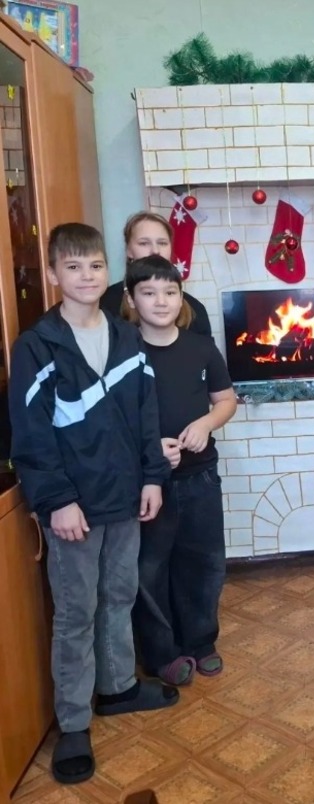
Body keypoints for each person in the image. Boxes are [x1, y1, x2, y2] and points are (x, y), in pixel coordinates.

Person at [8, 224, 177, 785]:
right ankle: (74, 722)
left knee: (119, 594)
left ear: (110, 271)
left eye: (96, 266)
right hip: (73, 508)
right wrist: (57, 500)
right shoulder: (37, 345)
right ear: (53, 273)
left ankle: (118, 687)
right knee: (76, 612)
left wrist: (152, 478)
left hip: (126, 496)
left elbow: (147, 414)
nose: (86, 276)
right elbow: (31, 434)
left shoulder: (127, 337)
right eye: (74, 266)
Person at [124, 255, 237, 684]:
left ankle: (201, 642)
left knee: (204, 562)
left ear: (181, 297)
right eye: (149, 293)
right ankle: (161, 653)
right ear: (131, 299)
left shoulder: (200, 347)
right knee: (150, 569)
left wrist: (206, 424)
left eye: (170, 292)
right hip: (146, 482)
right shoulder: (121, 351)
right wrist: (149, 452)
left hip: (200, 476)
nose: (161, 301)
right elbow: (113, 417)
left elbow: (226, 400)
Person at [100, 211, 212, 337]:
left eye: (162, 243)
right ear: (128, 250)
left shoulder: (195, 309)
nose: (155, 251)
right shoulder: (104, 304)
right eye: (144, 243)